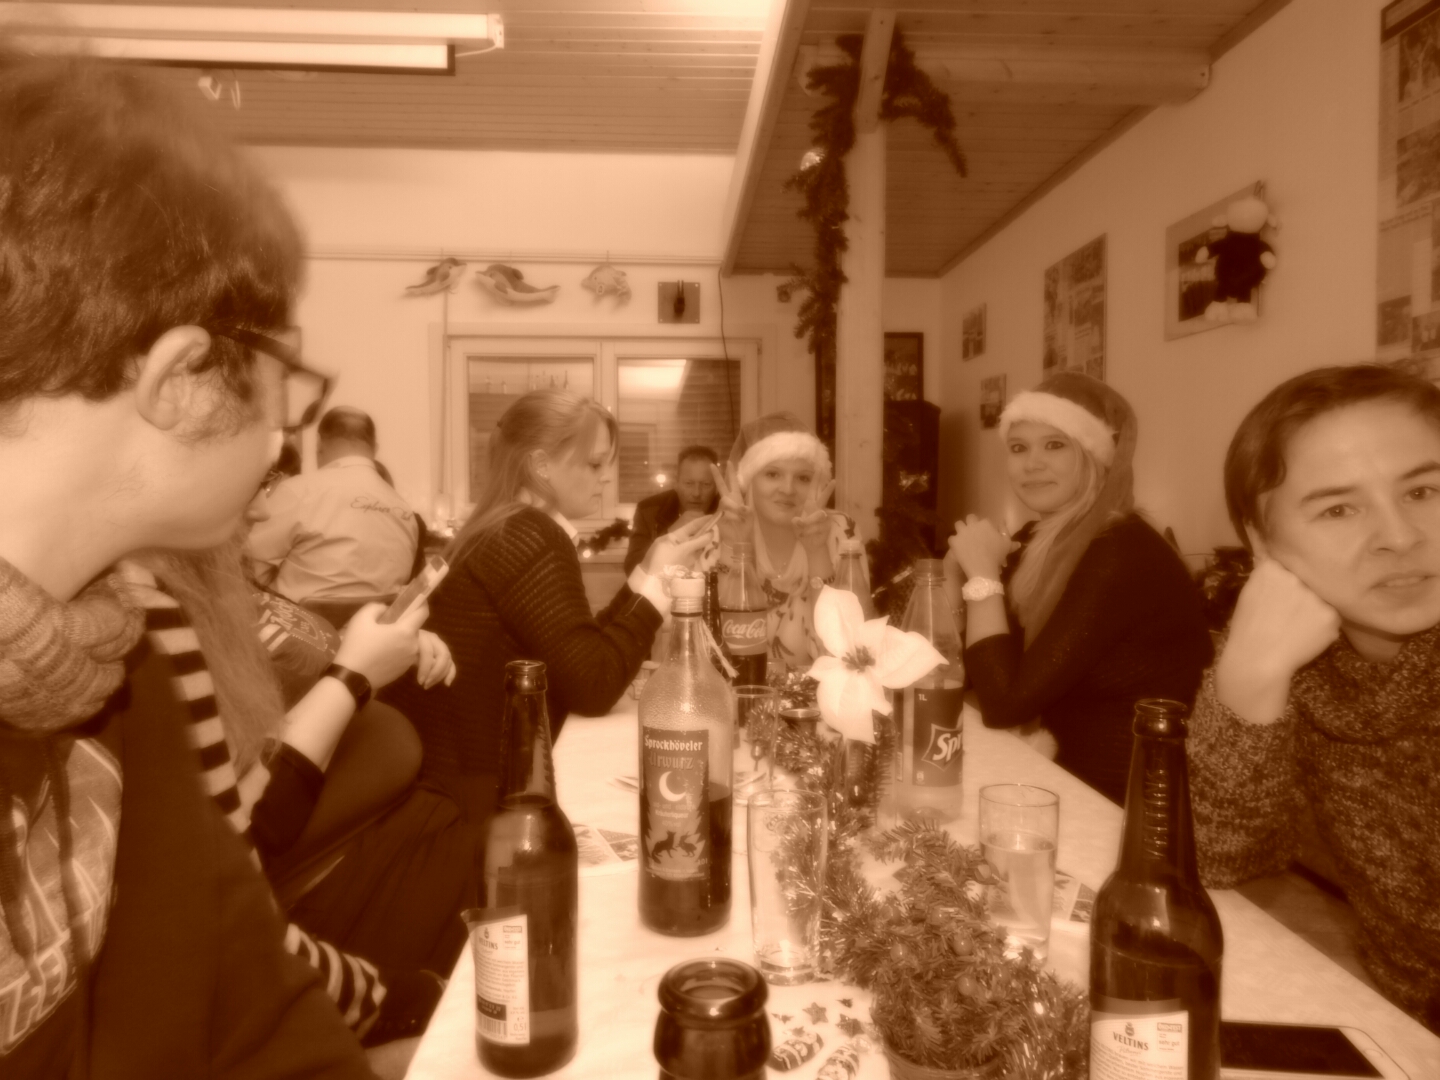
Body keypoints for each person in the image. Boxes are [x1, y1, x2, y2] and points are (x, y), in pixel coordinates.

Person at [0, 48, 370, 1074]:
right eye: (283, 371)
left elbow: (253, 1007)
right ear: (182, 378)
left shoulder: (121, 658)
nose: (287, 428)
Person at [1188, 364, 1440, 1032]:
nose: (1400, 536)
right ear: (1262, 541)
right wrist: (1248, 677)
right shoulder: (1303, 657)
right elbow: (1217, 857)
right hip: (1400, 1022)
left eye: (1423, 490)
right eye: (1338, 509)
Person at [384, 388, 711, 828]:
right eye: (594, 464)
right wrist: (659, 589)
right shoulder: (530, 536)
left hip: (448, 783)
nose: (605, 478)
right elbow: (593, 684)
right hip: (466, 805)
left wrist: (648, 571)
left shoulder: (504, 524)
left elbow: (577, 648)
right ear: (541, 465)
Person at [948, 372, 1212, 805]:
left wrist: (982, 578)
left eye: (1055, 445)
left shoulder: (1121, 550)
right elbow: (968, 672)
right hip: (1058, 778)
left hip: (1132, 806)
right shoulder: (1039, 540)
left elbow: (1003, 703)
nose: (1032, 464)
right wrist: (953, 579)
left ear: (1095, 456)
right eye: (1019, 448)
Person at [248, 405, 420, 622]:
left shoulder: (299, 492)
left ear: (319, 444)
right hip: (377, 635)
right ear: (374, 448)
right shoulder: (405, 511)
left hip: (301, 632)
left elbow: (250, 568)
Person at [711, 412, 845, 674]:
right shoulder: (716, 533)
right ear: (748, 480)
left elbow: (849, 649)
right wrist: (734, 547)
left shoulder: (840, 531)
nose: (788, 489)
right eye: (772, 474)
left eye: (803, 478)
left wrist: (817, 551)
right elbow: (711, 650)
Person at [623, 444, 721, 573]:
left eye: (706, 484)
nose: (696, 493)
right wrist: (671, 535)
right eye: (689, 483)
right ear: (676, 483)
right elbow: (632, 568)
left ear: (716, 487)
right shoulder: (648, 510)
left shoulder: (726, 512)